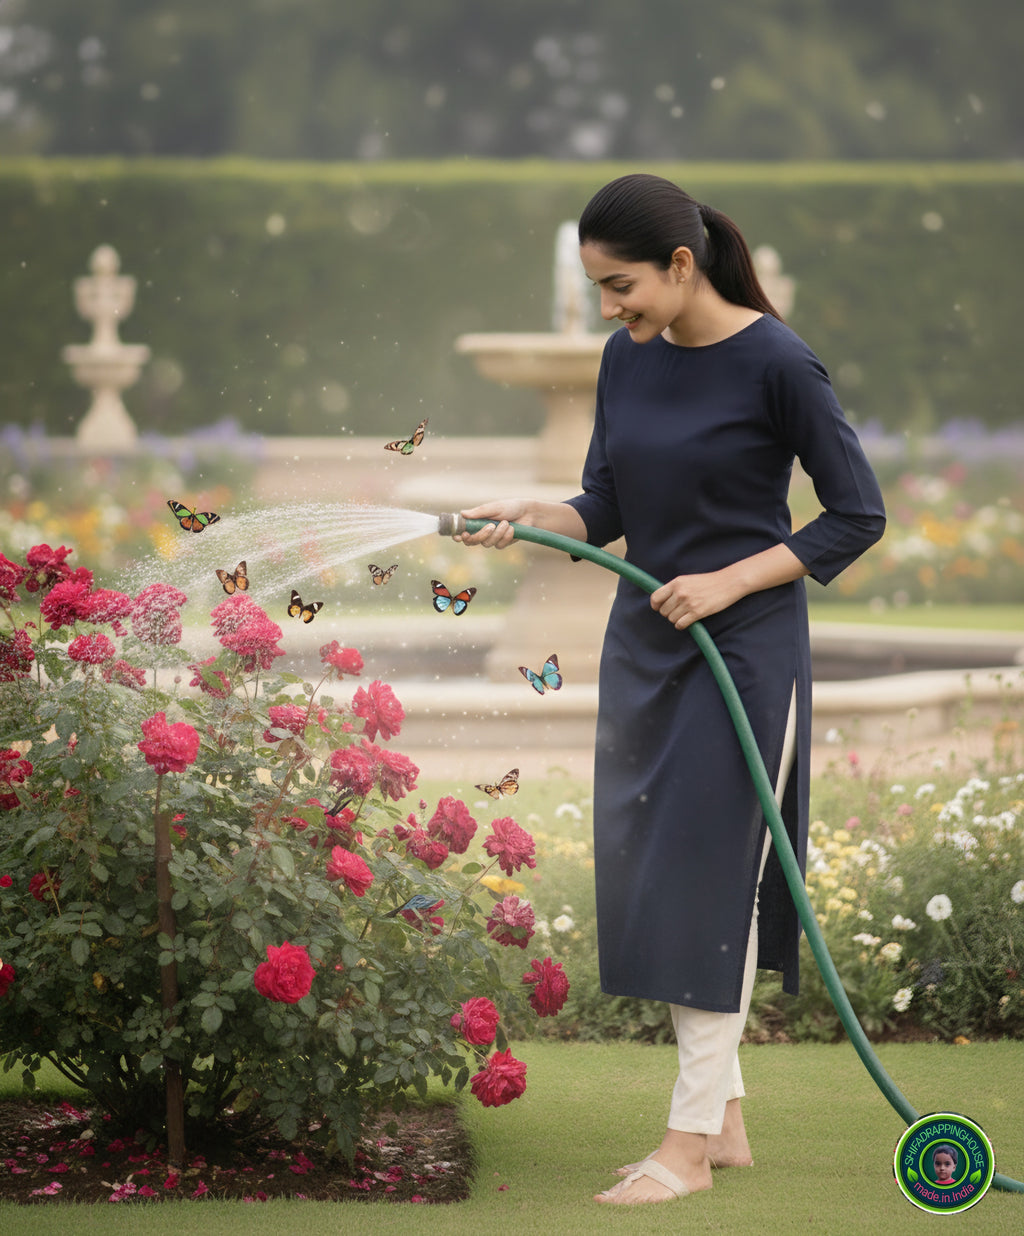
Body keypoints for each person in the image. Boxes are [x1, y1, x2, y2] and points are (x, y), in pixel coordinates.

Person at [455, 173, 885, 1206]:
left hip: (743, 653)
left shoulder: (777, 362)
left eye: (622, 285)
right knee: (655, 872)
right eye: (598, 288)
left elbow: (854, 513)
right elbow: (604, 503)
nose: (610, 308)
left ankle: (686, 1144)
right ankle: (726, 1123)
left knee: (708, 883)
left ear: (682, 265)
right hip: (647, 643)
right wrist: (534, 512)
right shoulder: (624, 359)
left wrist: (733, 578)